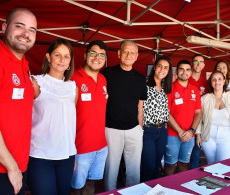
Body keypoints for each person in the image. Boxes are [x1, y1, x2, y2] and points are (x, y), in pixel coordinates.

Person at [27, 38, 77, 195]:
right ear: (48, 57)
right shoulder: (35, 82)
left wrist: (72, 153)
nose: (62, 60)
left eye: (66, 56)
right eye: (57, 55)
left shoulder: (73, 87)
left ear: (70, 62)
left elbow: (68, 122)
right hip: (40, 156)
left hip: (67, 156)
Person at [101, 40, 147, 191]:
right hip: (111, 129)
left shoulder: (141, 79)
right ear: (119, 54)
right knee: (111, 169)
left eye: (132, 53)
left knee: (134, 169)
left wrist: (140, 129)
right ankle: (110, 193)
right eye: (126, 52)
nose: (129, 55)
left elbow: (140, 107)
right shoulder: (107, 74)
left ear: (136, 56)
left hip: (134, 129)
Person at [0, 8, 37, 195]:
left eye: (32, 30)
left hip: (20, 163)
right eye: (20, 26)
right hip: (5, 168)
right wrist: (11, 166)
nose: (26, 34)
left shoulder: (24, 63)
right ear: (4, 27)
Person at [70, 40, 108, 195]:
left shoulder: (104, 80)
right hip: (80, 148)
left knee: (91, 184)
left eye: (101, 55)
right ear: (85, 55)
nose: (96, 58)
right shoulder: (73, 78)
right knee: (75, 188)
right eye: (93, 53)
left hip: (100, 146)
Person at [196, 71, 230, 164]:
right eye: (214, 80)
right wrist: (198, 135)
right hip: (208, 135)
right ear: (210, 82)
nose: (217, 82)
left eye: (219, 79)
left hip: (227, 135)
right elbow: (199, 118)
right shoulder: (204, 98)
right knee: (211, 164)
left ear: (224, 81)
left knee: (224, 164)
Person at [164, 60, 202, 175]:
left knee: (184, 164)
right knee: (170, 165)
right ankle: (166, 190)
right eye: (181, 69)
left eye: (187, 69)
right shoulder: (169, 88)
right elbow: (166, 113)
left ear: (191, 72)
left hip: (189, 136)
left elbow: (198, 112)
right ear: (176, 71)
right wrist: (180, 131)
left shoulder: (195, 89)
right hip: (172, 135)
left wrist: (191, 131)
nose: (184, 72)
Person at [141, 56, 172, 182]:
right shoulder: (144, 83)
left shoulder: (166, 86)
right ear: (154, 67)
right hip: (148, 130)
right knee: (148, 165)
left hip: (163, 130)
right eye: (159, 66)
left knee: (157, 166)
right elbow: (138, 108)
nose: (162, 70)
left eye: (166, 67)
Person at [213, 60, 230, 157]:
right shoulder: (213, 84)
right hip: (216, 125)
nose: (221, 70)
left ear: (228, 70)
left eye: (224, 67)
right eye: (218, 68)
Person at [189, 54, 207, 169]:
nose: (198, 64)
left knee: (196, 153)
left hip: (200, 122)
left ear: (204, 65)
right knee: (184, 156)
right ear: (192, 64)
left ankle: (193, 176)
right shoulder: (185, 79)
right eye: (196, 61)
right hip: (185, 121)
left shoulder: (207, 82)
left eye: (201, 62)